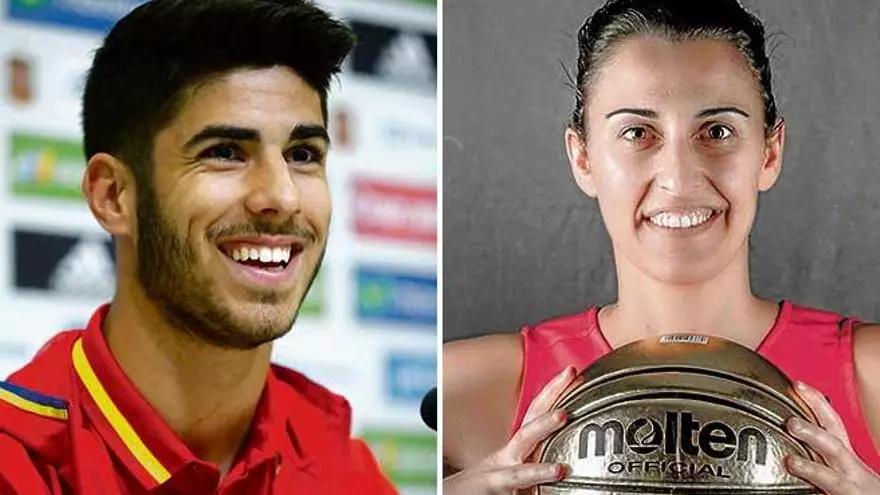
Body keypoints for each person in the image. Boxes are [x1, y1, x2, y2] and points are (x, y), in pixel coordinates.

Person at [443, 0, 880, 493]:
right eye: (637, 133)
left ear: (769, 152)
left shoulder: (871, 376)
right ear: (582, 158)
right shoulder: (467, 388)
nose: (678, 177)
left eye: (717, 132)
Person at [0, 0, 398, 493]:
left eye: (302, 155)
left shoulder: (344, 468)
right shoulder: (17, 464)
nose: (282, 196)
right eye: (225, 152)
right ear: (113, 196)